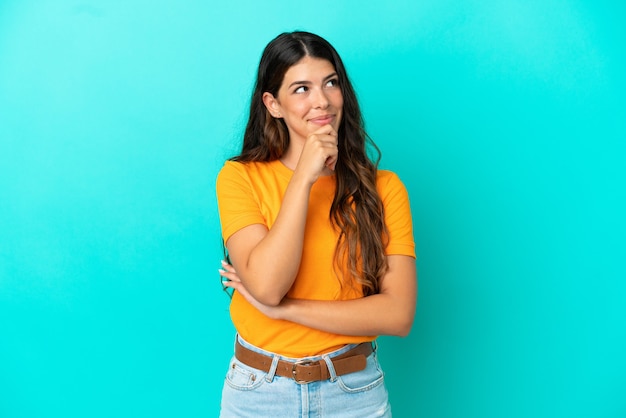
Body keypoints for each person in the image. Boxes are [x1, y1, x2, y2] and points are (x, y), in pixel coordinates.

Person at [216, 31, 416, 417]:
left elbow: (398, 314)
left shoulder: (384, 188)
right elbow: (268, 286)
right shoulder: (239, 178)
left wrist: (286, 311)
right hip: (259, 394)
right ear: (273, 104)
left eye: (330, 83)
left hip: (355, 392)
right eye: (301, 88)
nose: (321, 100)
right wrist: (304, 178)